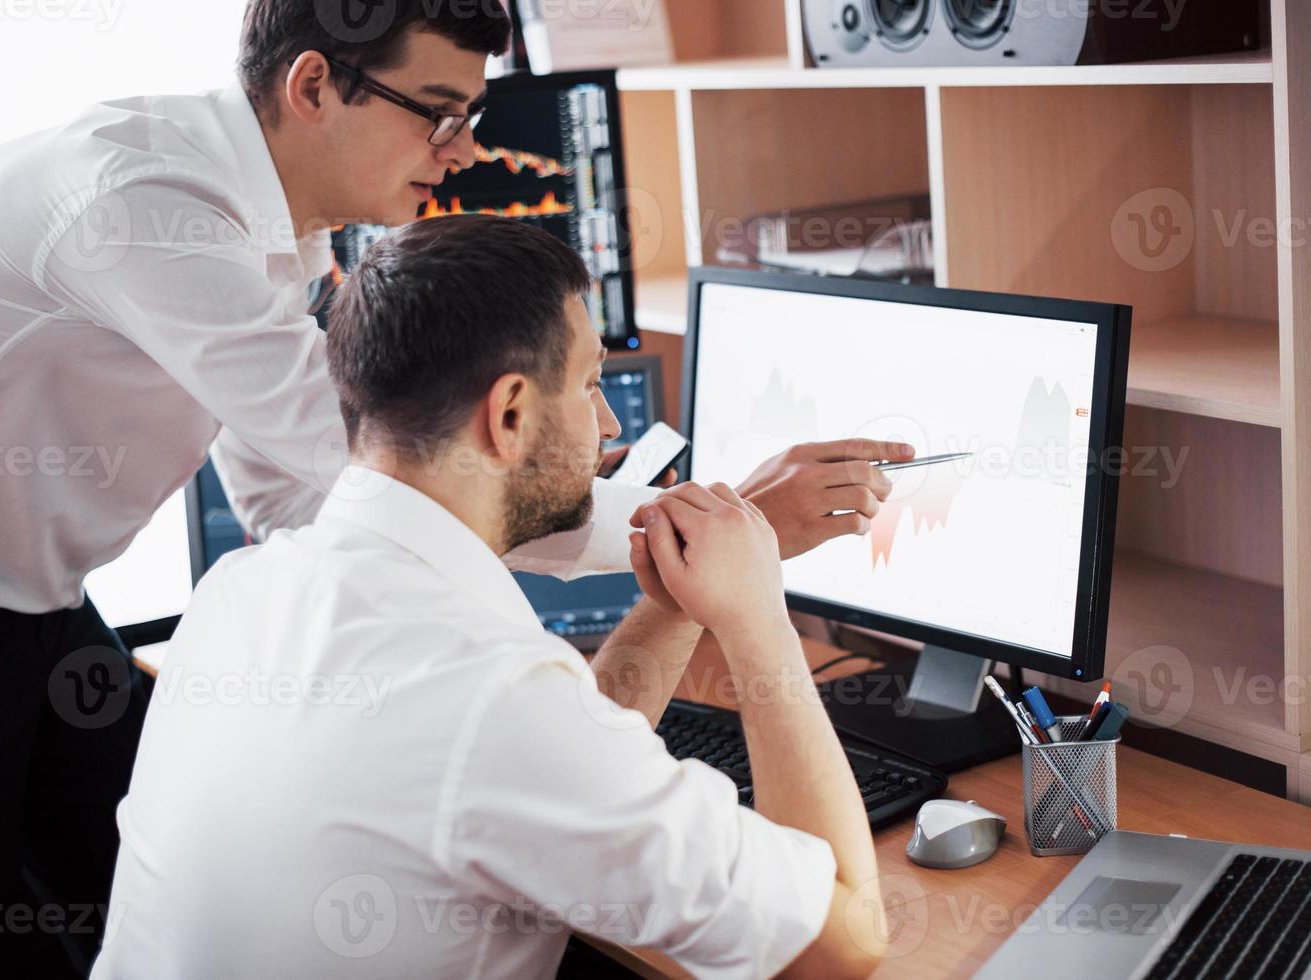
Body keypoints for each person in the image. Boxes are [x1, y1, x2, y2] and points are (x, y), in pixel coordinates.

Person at [0, 2, 909, 973]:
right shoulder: (146, 205)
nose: (459, 155)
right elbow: (361, 463)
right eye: (439, 114)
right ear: (314, 86)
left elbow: (312, 503)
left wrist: (676, 580)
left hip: (38, 595)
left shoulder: (243, 600)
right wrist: (724, 552)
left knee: (91, 892)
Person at [91, 214, 891, 979]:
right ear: (509, 414)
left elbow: (561, 764)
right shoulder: (495, 694)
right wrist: (757, 621)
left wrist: (680, 600)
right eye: (589, 385)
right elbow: (843, 941)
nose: (609, 423)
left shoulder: (240, 592)